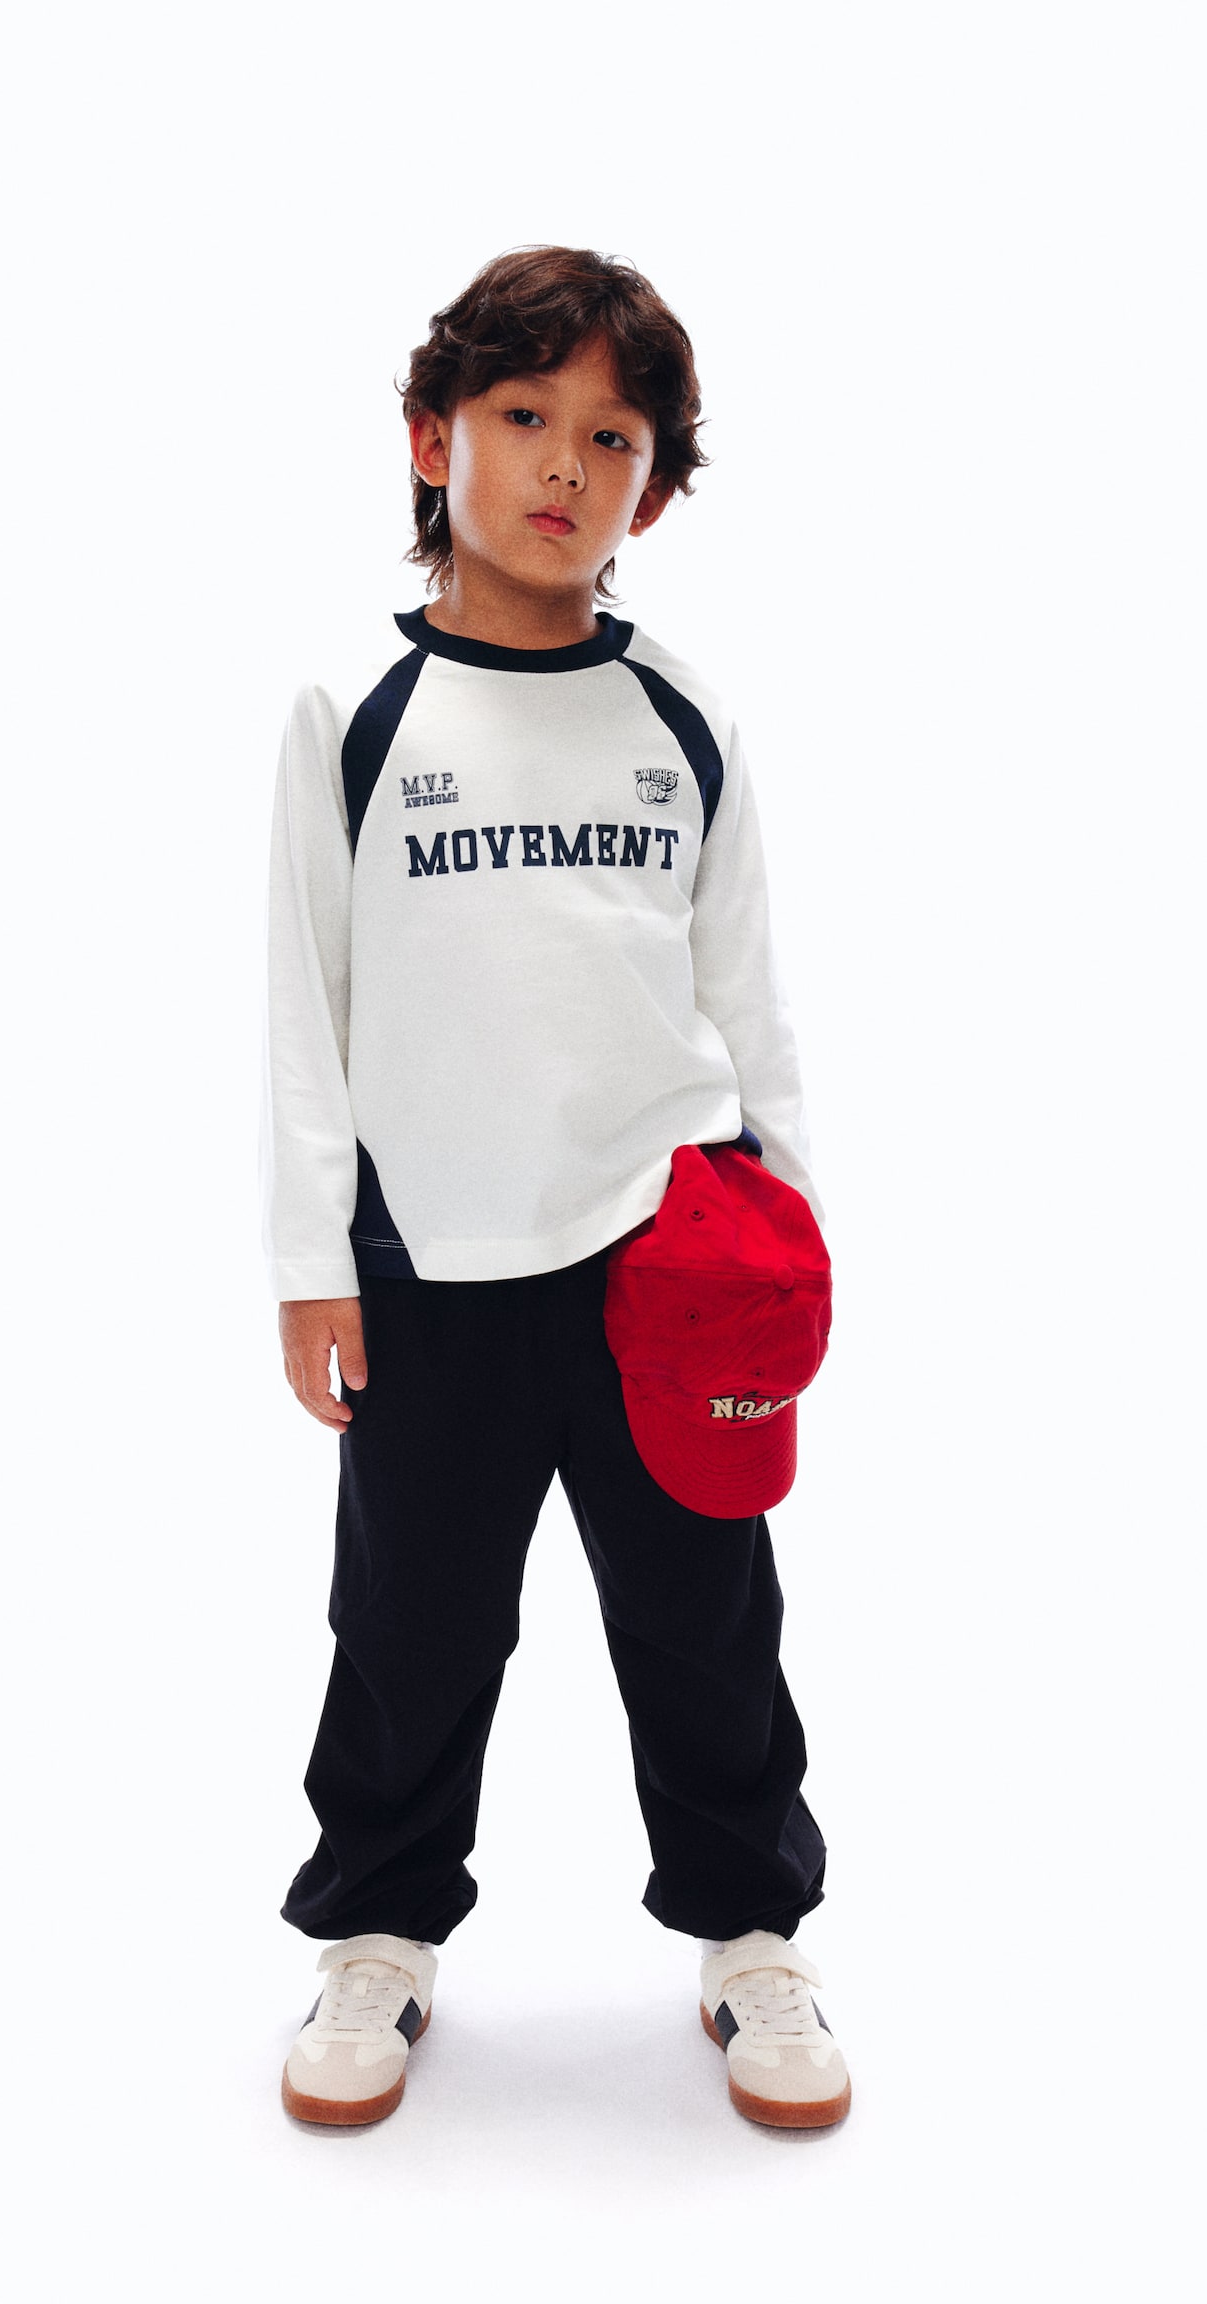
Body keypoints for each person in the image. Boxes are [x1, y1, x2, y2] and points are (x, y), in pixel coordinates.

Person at [260, 245, 851, 2131]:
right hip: (432, 1262)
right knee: (412, 1625)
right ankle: (380, 1932)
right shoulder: (356, 711)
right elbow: (306, 1005)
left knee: (704, 1618)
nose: (565, 465)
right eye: (525, 417)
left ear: (652, 490)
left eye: (614, 438)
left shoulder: (683, 721)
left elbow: (748, 1002)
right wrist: (310, 1258)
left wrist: (792, 1233)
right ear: (434, 438)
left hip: (671, 1263)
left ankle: (752, 1935)